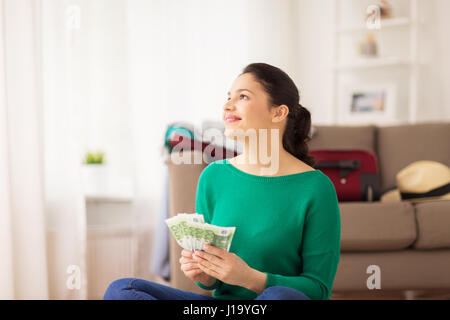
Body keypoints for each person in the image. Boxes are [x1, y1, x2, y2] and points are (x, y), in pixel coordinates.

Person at [103, 62, 341, 300]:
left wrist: (249, 278)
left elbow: (318, 289)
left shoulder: (315, 188)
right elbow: (210, 283)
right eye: (228, 97)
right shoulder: (213, 176)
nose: (228, 105)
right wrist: (204, 273)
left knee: (280, 297)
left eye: (243, 97)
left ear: (278, 112)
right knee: (122, 289)